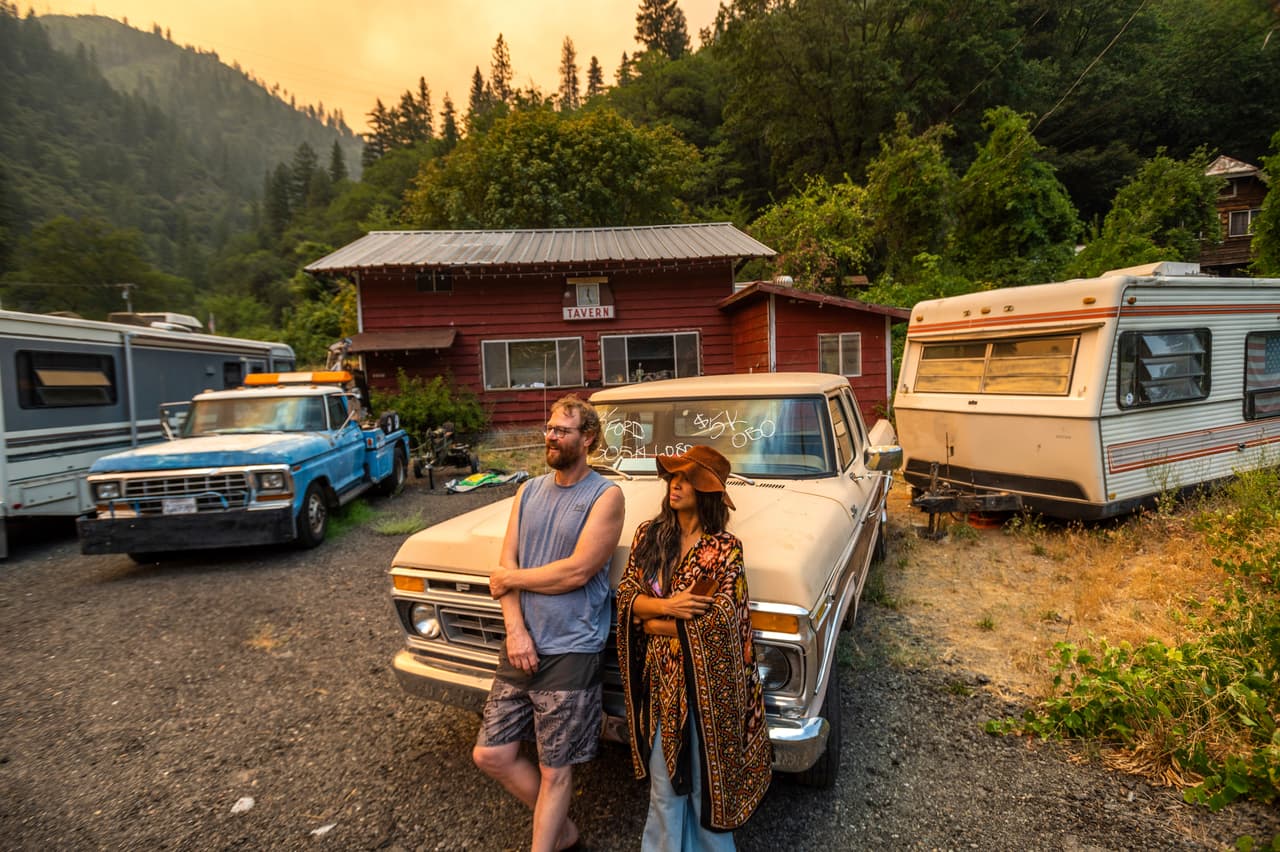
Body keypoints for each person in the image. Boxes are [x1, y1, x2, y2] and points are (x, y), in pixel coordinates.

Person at [473, 394, 625, 852]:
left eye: (562, 430)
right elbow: (505, 564)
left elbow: (577, 571)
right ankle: (564, 834)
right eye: (549, 428)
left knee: (556, 768)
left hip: (571, 648)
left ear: (589, 438)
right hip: (522, 643)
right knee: (491, 753)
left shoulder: (606, 496)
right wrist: (515, 629)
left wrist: (512, 578)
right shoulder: (528, 491)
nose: (551, 436)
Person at [615, 445, 771, 851]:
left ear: (707, 493)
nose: (676, 485)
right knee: (664, 785)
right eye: (674, 477)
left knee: (705, 789)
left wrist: (652, 621)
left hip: (708, 692)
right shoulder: (651, 537)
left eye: (687, 479)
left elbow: (721, 619)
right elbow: (628, 595)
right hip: (663, 685)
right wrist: (668, 609)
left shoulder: (724, 548)